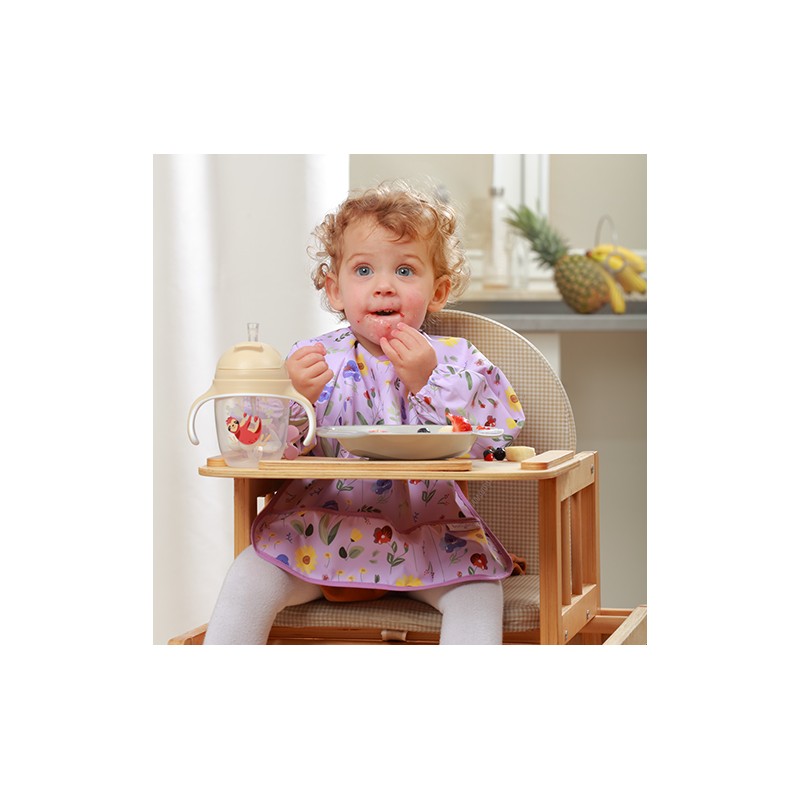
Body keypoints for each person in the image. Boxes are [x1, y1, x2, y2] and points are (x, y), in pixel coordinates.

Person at [204, 183, 525, 645]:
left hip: (429, 535)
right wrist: (292, 398)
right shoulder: (313, 360)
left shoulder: (455, 359)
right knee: (248, 576)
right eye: (363, 269)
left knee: (478, 594)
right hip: (317, 531)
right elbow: (262, 450)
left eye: (405, 270)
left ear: (438, 291)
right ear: (336, 290)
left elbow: (498, 435)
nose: (384, 284)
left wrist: (430, 380)